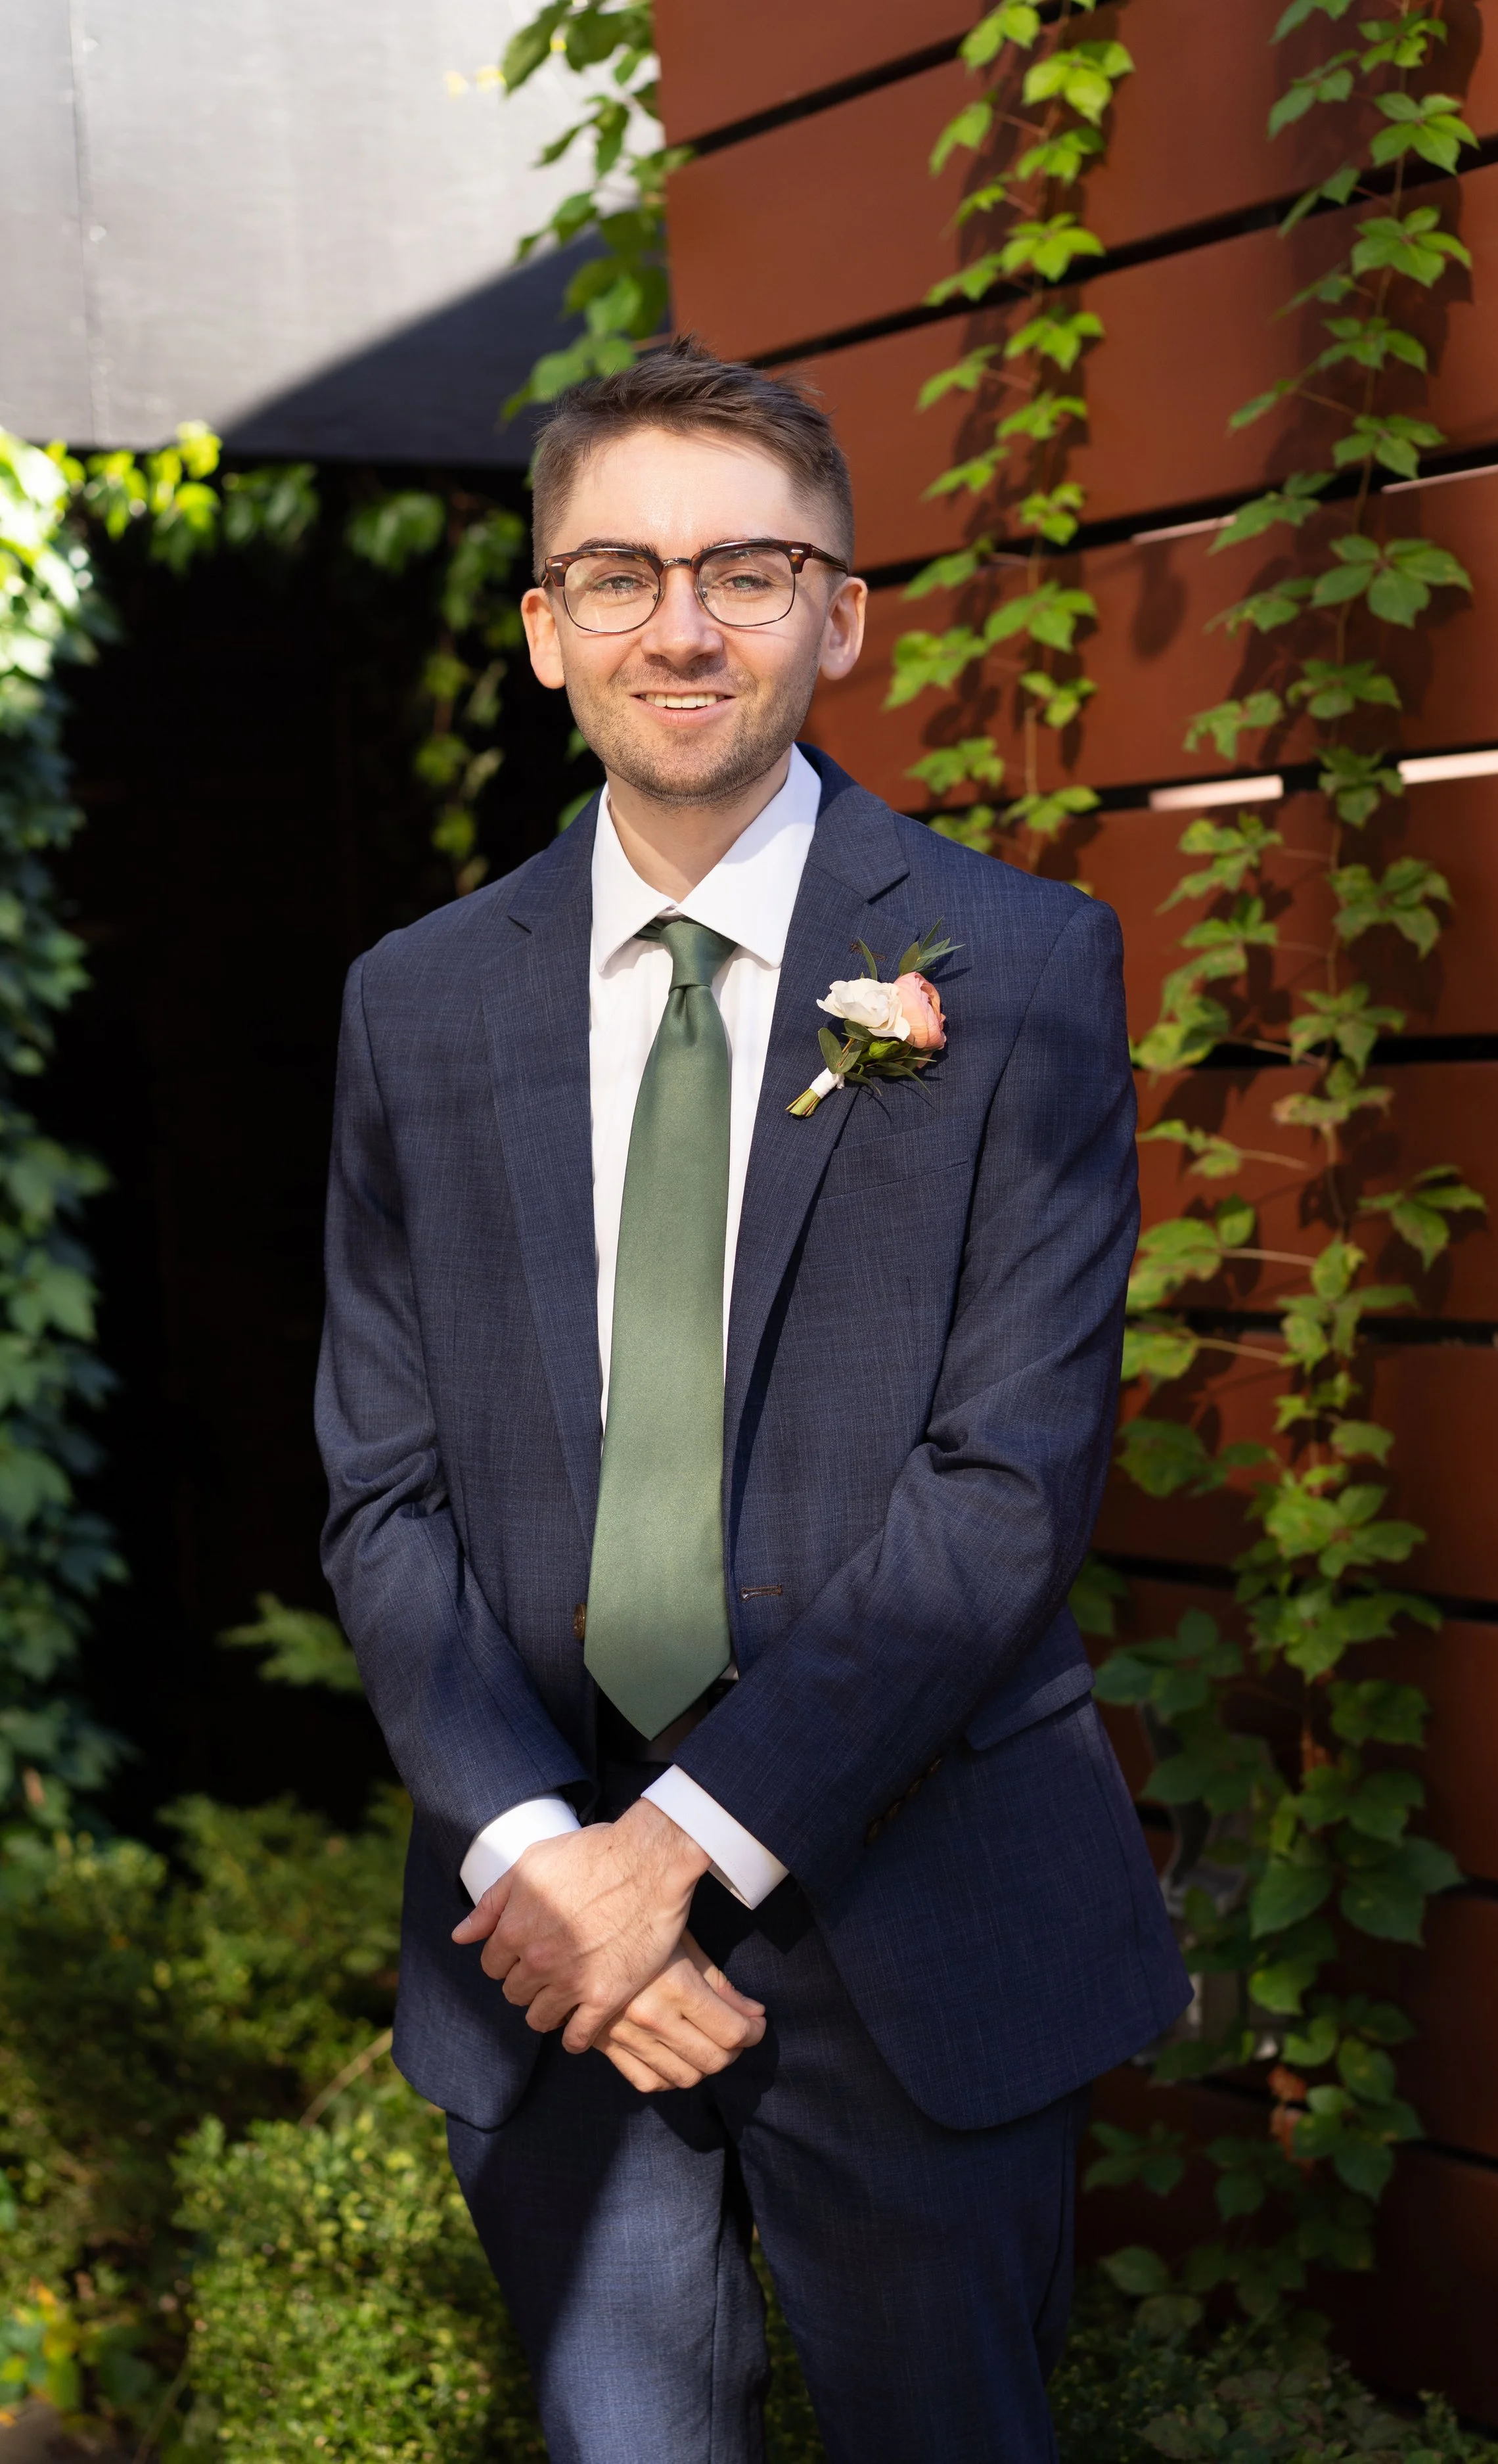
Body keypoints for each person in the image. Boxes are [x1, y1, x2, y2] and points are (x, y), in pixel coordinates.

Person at [316, 336, 1188, 2464]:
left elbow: (1002, 1489)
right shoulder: (415, 1003)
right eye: (616, 573)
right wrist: (555, 1867)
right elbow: (380, 1488)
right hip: (544, 1956)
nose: (681, 624)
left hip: (917, 1921)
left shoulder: (1017, 970)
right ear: (544, 630)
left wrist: (668, 1856)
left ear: (839, 611)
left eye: (747, 567)